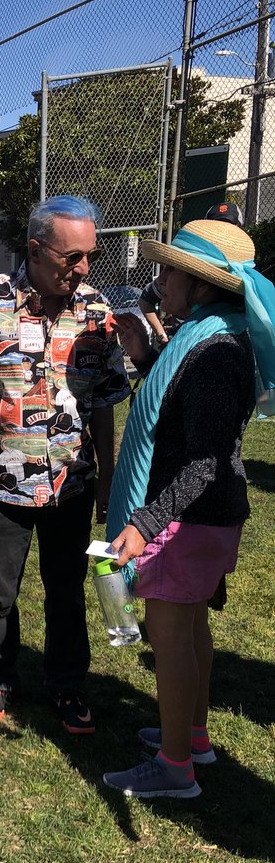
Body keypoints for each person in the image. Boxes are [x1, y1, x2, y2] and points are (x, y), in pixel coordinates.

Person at [0, 195, 129, 733]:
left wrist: (108, 478)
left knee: (67, 591)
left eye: (91, 255)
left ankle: (67, 684)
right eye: (72, 257)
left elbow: (106, 403)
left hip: (71, 483)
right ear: (35, 250)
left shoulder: (96, 311)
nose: (84, 268)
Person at [103, 217, 275, 798]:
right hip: (207, 518)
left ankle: (175, 767)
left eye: (169, 272)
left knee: (169, 638)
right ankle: (193, 737)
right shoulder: (211, 337)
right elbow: (185, 414)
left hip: (189, 519)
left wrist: (144, 524)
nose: (160, 281)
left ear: (201, 284)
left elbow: (203, 461)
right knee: (193, 628)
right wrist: (146, 356)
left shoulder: (213, 352)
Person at [138, 204, 245, 347]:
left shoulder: (217, 345)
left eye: (173, 268)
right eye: (214, 226)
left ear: (203, 285)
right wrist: (159, 339)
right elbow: (146, 300)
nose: (162, 279)